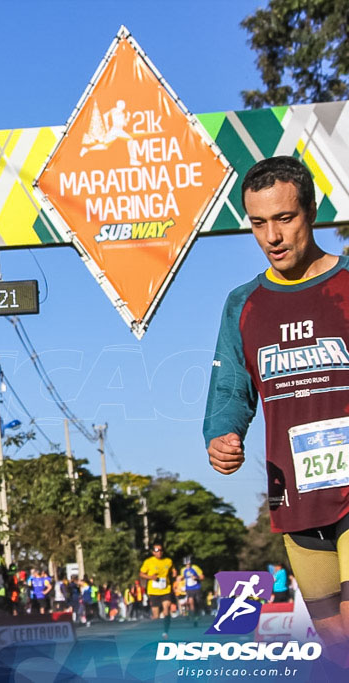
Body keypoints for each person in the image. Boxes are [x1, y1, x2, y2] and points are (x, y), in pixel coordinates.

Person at [204, 156, 349, 659]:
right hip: (295, 498)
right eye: (259, 223)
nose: (273, 236)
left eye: (285, 218)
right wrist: (221, 436)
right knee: (337, 645)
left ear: (311, 212)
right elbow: (230, 392)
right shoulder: (243, 303)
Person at [139, 543, 176, 638]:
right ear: (153, 552)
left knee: (166, 608)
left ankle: (165, 631)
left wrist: (174, 573)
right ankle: (155, 633)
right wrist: (150, 577)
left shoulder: (168, 561)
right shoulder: (148, 562)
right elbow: (141, 574)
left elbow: (173, 570)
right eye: (156, 550)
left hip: (165, 589)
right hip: (154, 591)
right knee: (155, 615)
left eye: (160, 550)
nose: (159, 552)